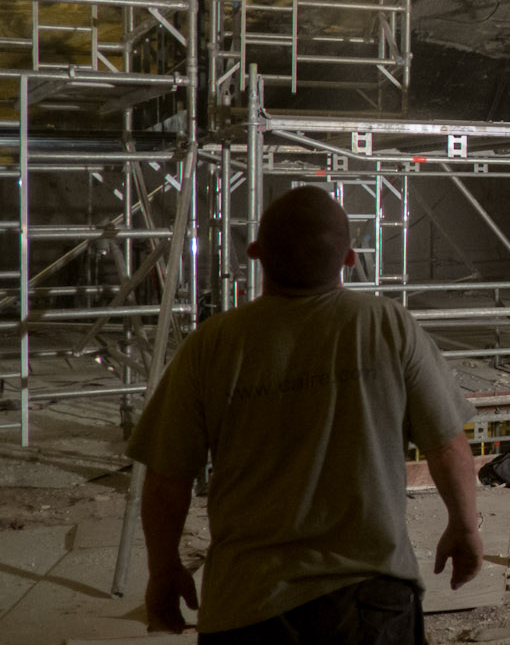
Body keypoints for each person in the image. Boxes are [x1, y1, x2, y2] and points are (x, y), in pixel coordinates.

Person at [130, 186, 482, 642]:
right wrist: (464, 527)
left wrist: (163, 570)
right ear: (349, 259)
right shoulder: (388, 325)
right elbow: (448, 445)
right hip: (369, 600)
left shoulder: (212, 344)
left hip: (246, 605)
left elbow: (166, 477)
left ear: (256, 253)